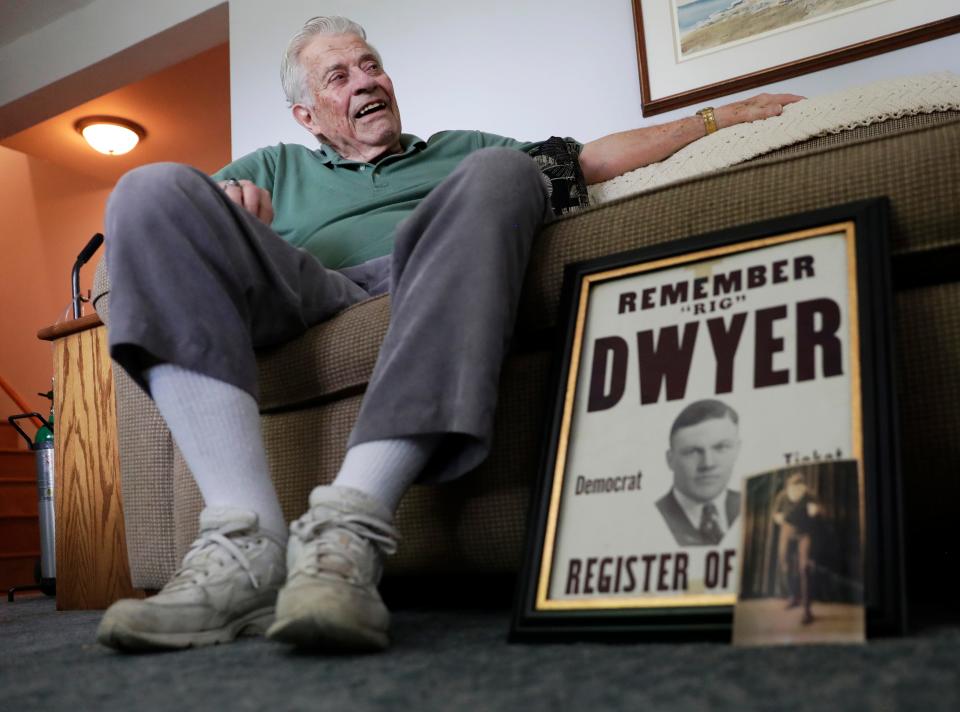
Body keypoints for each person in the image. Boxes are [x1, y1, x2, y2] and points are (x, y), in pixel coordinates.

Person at [95, 15, 802, 653]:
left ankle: (350, 529)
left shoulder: (456, 150)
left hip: (424, 273)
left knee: (503, 171)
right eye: (339, 76)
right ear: (307, 113)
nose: (365, 81)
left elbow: (586, 161)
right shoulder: (276, 165)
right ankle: (244, 543)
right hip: (308, 287)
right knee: (148, 191)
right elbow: (185, 229)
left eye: (370, 65)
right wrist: (232, 212)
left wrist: (716, 119)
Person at [655, 399, 742, 546]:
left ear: (737, 450)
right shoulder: (653, 517)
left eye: (721, 447)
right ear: (670, 460)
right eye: (692, 452)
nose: (708, 464)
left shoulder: (754, 506)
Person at [772, 472, 821, 625]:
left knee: (804, 568)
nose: (796, 491)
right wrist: (778, 517)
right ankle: (794, 597)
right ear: (788, 488)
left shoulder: (809, 495)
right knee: (785, 564)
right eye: (793, 488)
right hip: (787, 531)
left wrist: (815, 511)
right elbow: (775, 513)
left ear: (803, 487)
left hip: (804, 534)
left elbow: (817, 510)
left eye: (799, 488)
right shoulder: (782, 496)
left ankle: (807, 611)